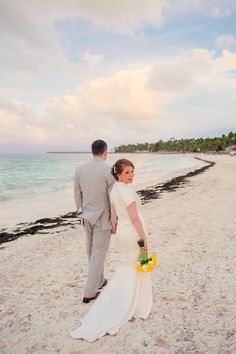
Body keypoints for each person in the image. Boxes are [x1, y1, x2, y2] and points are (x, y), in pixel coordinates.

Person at [71, 158, 152, 342]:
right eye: (127, 173)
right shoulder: (127, 192)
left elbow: (114, 213)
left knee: (127, 266)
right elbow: (134, 218)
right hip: (133, 234)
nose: (131, 176)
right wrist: (143, 239)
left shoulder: (115, 189)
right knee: (133, 266)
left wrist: (115, 227)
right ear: (118, 174)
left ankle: (127, 299)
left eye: (132, 171)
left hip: (122, 233)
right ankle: (131, 304)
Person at [74, 139, 115, 303]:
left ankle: (100, 281)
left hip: (86, 215)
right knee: (98, 253)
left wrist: (80, 211)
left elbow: (77, 194)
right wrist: (115, 220)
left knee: (91, 251)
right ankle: (90, 292)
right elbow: (113, 198)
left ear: (92, 151)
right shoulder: (108, 170)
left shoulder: (80, 169)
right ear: (105, 152)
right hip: (103, 217)